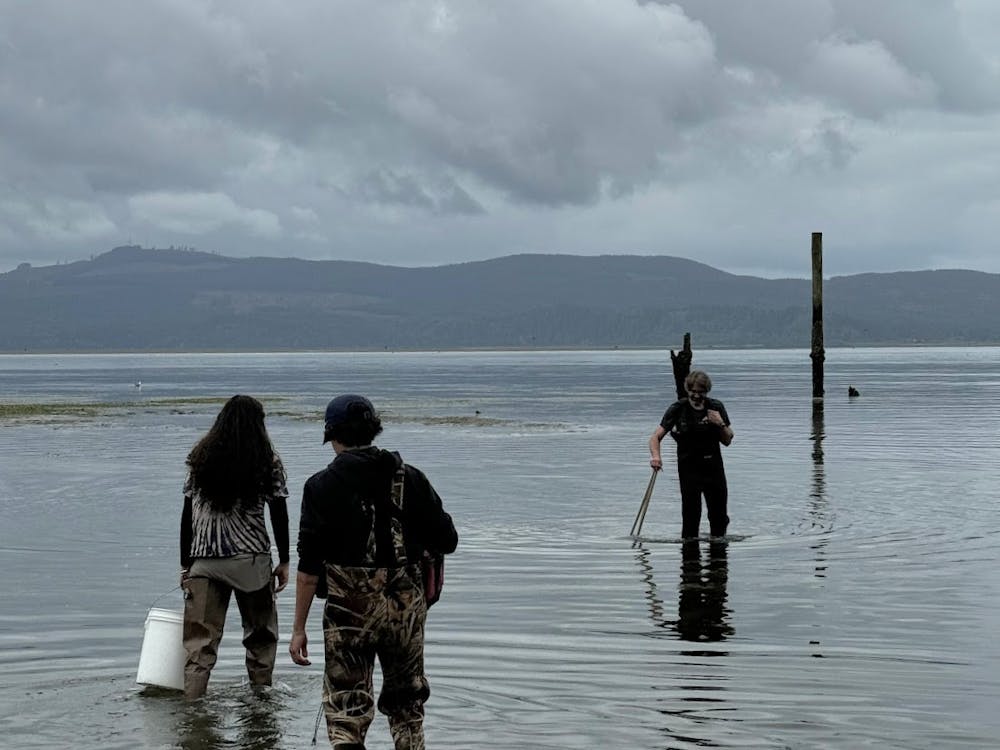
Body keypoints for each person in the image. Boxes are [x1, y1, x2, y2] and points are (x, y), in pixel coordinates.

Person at [289, 394, 458, 750]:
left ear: (332, 435)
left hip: (348, 613)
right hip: (405, 611)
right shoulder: (412, 479)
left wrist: (298, 629)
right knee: (407, 705)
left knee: (346, 707)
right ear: (373, 430)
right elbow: (448, 539)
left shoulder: (320, 486)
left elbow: (308, 568)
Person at [179, 394, 290, 699]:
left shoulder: (199, 459)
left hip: (204, 561)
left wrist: (185, 564)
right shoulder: (266, 460)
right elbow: (279, 512)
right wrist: (284, 559)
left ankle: (193, 708)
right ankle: (261, 702)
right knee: (261, 638)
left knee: (200, 646)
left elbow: (186, 515)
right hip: (250, 560)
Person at [648, 370, 733, 539]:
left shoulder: (716, 407)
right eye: (693, 391)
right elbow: (655, 437)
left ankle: (719, 553)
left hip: (713, 469)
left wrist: (720, 423)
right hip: (689, 469)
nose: (696, 396)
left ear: (706, 391)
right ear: (688, 390)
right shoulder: (678, 409)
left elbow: (728, 440)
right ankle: (689, 553)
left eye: (701, 392)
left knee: (719, 518)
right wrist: (656, 457)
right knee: (691, 517)